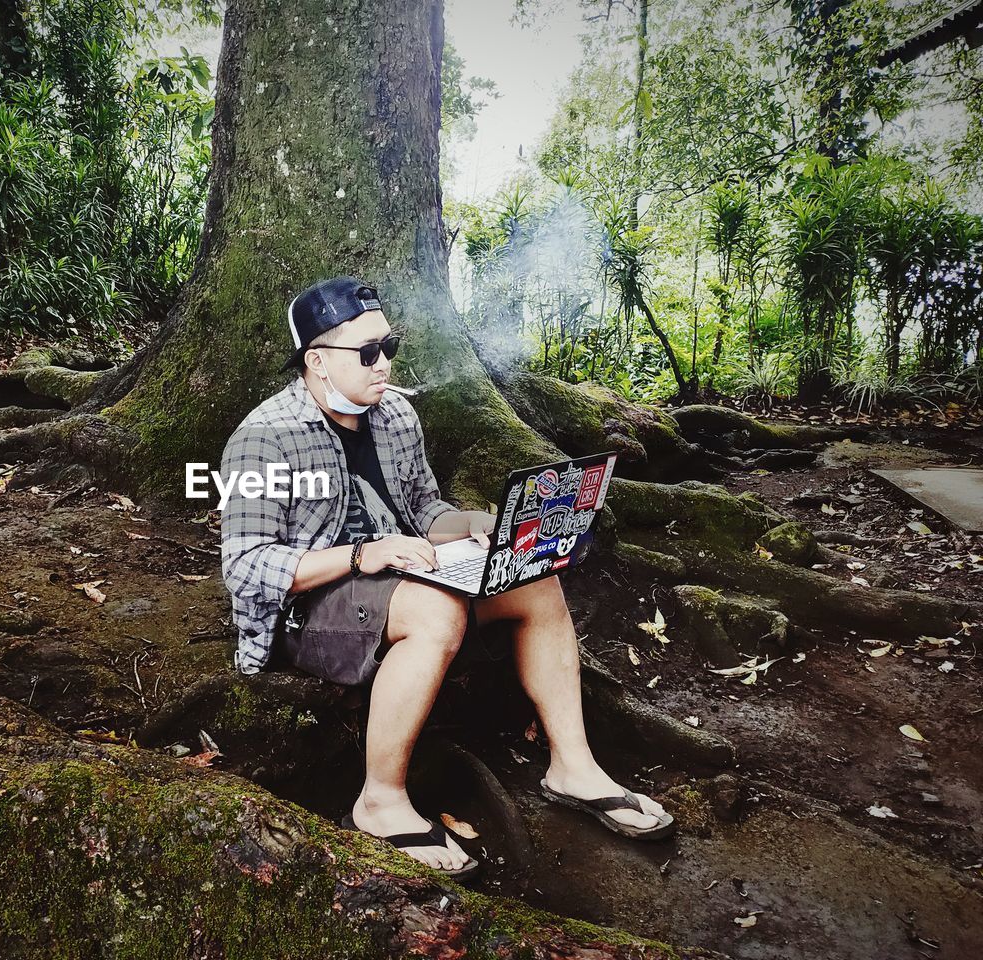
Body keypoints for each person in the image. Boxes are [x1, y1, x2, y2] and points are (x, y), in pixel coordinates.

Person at [219, 276, 673, 878]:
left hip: (398, 579)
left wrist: (484, 525)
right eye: (368, 353)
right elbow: (246, 568)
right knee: (438, 614)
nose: (385, 365)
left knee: (536, 580)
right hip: (309, 609)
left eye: (390, 345)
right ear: (317, 362)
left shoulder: (397, 415)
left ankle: (574, 767)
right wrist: (362, 556)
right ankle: (380, 800)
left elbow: (427, 511)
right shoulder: (262, 439)